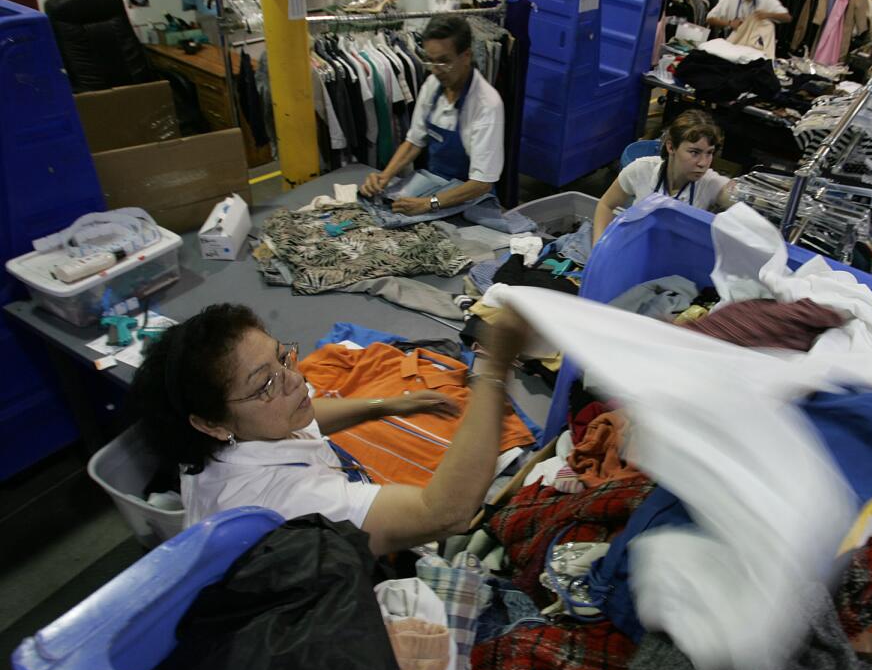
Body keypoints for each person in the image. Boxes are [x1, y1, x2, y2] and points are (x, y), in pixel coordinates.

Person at [130, 303, 529, 556]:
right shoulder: (286, 503)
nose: (296, 382)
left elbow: (303, 415)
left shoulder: (225, 436)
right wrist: (493, 374)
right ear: (211, 424)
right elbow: (444, 514)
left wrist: (386, 405)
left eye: (283, 358)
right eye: (264, 384)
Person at [360, 14, 504, 214]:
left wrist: (430, 203)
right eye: (431, 62)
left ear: (466, 56)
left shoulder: (486, 104)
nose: (436, 70)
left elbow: (482, 182)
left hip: (472, 201)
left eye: (444, 61)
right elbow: (413, 142)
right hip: (434, 186)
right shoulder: (433, 85)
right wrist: (384, 177)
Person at [593, 110, 735, 244]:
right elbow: (605, 205)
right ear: (671, 147)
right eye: (694, 152)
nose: (704, 163)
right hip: (638, 250)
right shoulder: (641, 169)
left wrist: (748, 196)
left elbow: (734, 195)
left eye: (709, 153)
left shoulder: (710, 183)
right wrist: (599, 249)